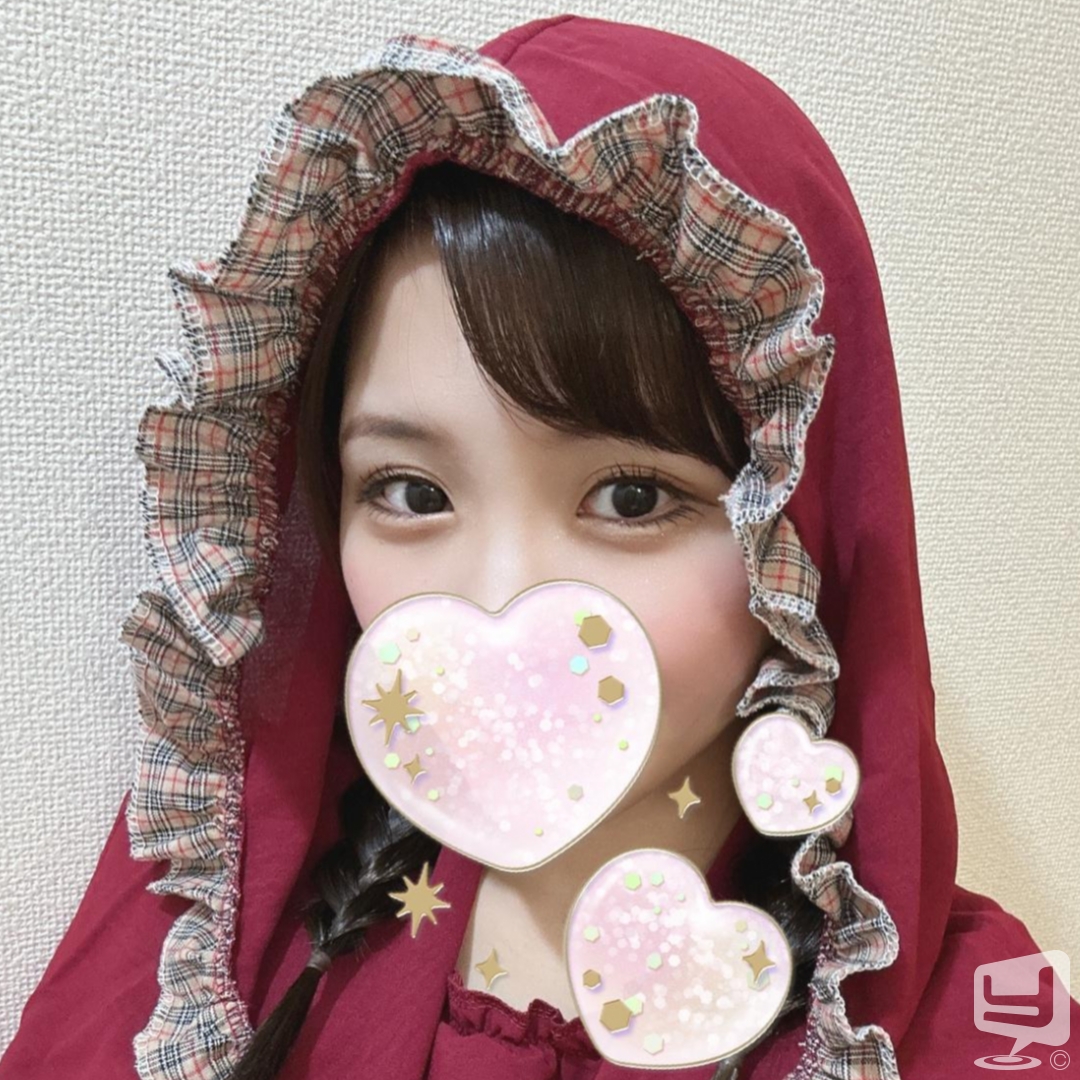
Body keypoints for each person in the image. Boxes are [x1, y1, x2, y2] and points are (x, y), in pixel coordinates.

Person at [2, 14, 1077, 1080]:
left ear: (797, 536)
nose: (500, 602)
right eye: (412, 493)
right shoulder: (223, 932)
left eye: (631, 496)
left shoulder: (990, 1030)